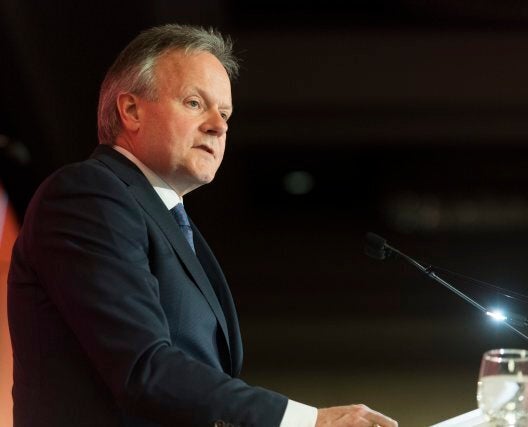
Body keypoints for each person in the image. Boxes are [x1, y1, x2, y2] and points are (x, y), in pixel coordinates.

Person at [7, 24, 398, 427]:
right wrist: (309, 421)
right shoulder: (87, 196)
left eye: (225, 114)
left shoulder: (175, 227)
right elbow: (144, 368)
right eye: (195, 103)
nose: (219, 125)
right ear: (131, 110)